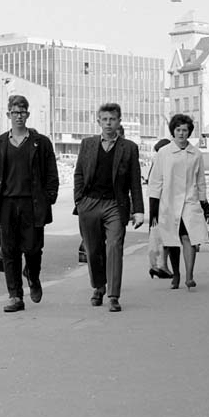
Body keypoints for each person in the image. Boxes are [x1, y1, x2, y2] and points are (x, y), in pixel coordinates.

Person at [0, 94, 59, 313]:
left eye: (23, 112)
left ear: (28, 114)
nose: (19, 117)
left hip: (32, 204)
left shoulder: (41, 142)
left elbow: (51, 175)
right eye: (15, 113)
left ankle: (33, 276)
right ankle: (15, 295)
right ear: (8, 115)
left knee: (33, 249)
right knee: (9, 251)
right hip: (6, 203)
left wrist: (48, 198)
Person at [73, 102, 145, 312]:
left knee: (114, 246)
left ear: (119, 122)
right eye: (104, 119)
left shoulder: (128, 148)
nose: (108, 123)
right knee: (93, 249)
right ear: (98, 122)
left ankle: (113, 295)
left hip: (115, 204)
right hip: (90, 203)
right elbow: (78, 174)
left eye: (112, 119)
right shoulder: (87, 144)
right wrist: (80, 201)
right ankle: (99, 287)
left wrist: (138, 210)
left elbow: (134, 181)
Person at [148, 113, 209, 291]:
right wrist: (153, 206)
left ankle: (189, 275)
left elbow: (201, 180)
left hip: (190, 201)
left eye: (185, 130)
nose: (182, 133)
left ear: (189, 132)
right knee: (172, 240)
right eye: (178, 130)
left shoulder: (196, 154)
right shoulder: (164, 153)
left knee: (189, 237)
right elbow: (156, 180)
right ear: (173, 131)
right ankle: (176, 274)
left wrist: (203, 202)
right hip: (169, 202)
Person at [145, 138, 177, 280]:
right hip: (163, 206)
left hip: (162, 205)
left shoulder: (156, 163)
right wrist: (154, 214)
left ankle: (160, 266)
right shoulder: (162, 163)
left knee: (164, 238)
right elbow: (155, 189)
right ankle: (161, 266)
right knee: (165, 238)